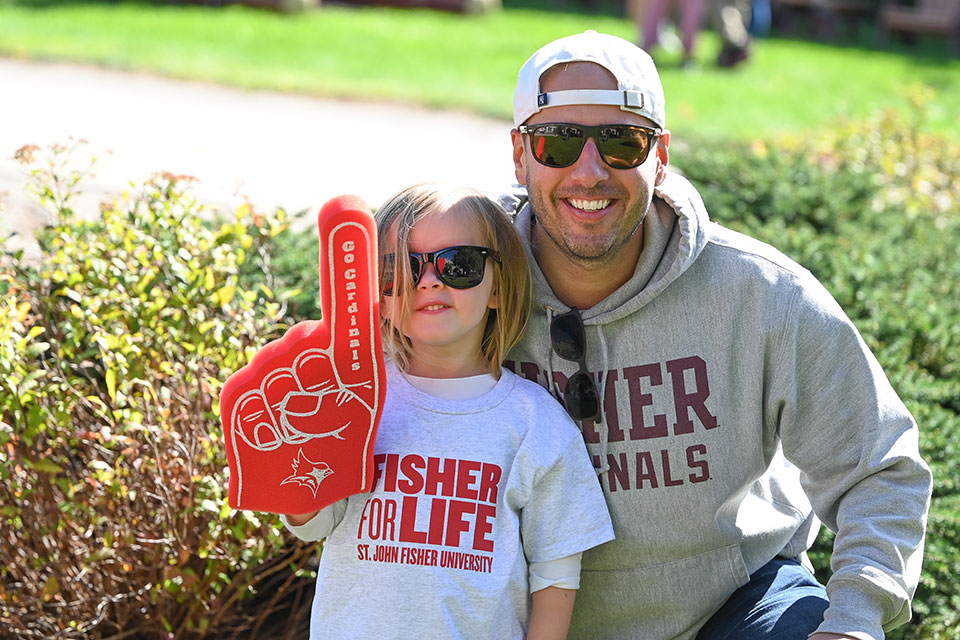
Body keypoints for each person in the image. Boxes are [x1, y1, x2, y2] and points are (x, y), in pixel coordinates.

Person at [502, 30, 932, 640]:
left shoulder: (763, 294)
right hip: (524, 617)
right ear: (520, 155)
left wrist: (856, 621)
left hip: (737, 606)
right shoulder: (463, 282)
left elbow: (879, 467)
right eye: (558, 142)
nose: (589, 171)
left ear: (662, 155)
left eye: (623, 142)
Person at [281, 184, 615, 639]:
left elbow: (555, 573)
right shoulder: (353, 397)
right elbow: (312, 525)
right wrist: (291, 462)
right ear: (374, 289)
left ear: (499, 286)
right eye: (399, 268)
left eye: (459, 265)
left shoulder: (534, 424)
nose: (429, 282)